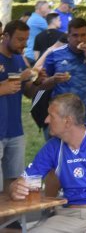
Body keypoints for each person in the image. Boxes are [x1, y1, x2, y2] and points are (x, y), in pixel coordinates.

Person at [10, 93, 86, 232]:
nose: (46, 120)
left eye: (51, 116)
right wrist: (15, 188)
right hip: (67, 216)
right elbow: (23, 182)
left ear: (67, 121)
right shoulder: (52, 146)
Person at [42, 18, 86, 125]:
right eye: (75, 35)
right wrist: (53, 80)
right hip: (62, 114)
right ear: (68, 36)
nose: (79, 39)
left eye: (83, 35)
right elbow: (42, 85)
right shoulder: (55, 55)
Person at [0, 20, 34, 192]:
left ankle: (12, 220)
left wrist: (43, 81)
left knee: (14, 184)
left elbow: (28, 92)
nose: (24, 44)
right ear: (5, 36)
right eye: (20, 39)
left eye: (26, 39)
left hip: (15, 130)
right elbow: (8, 86)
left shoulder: (19, 59)